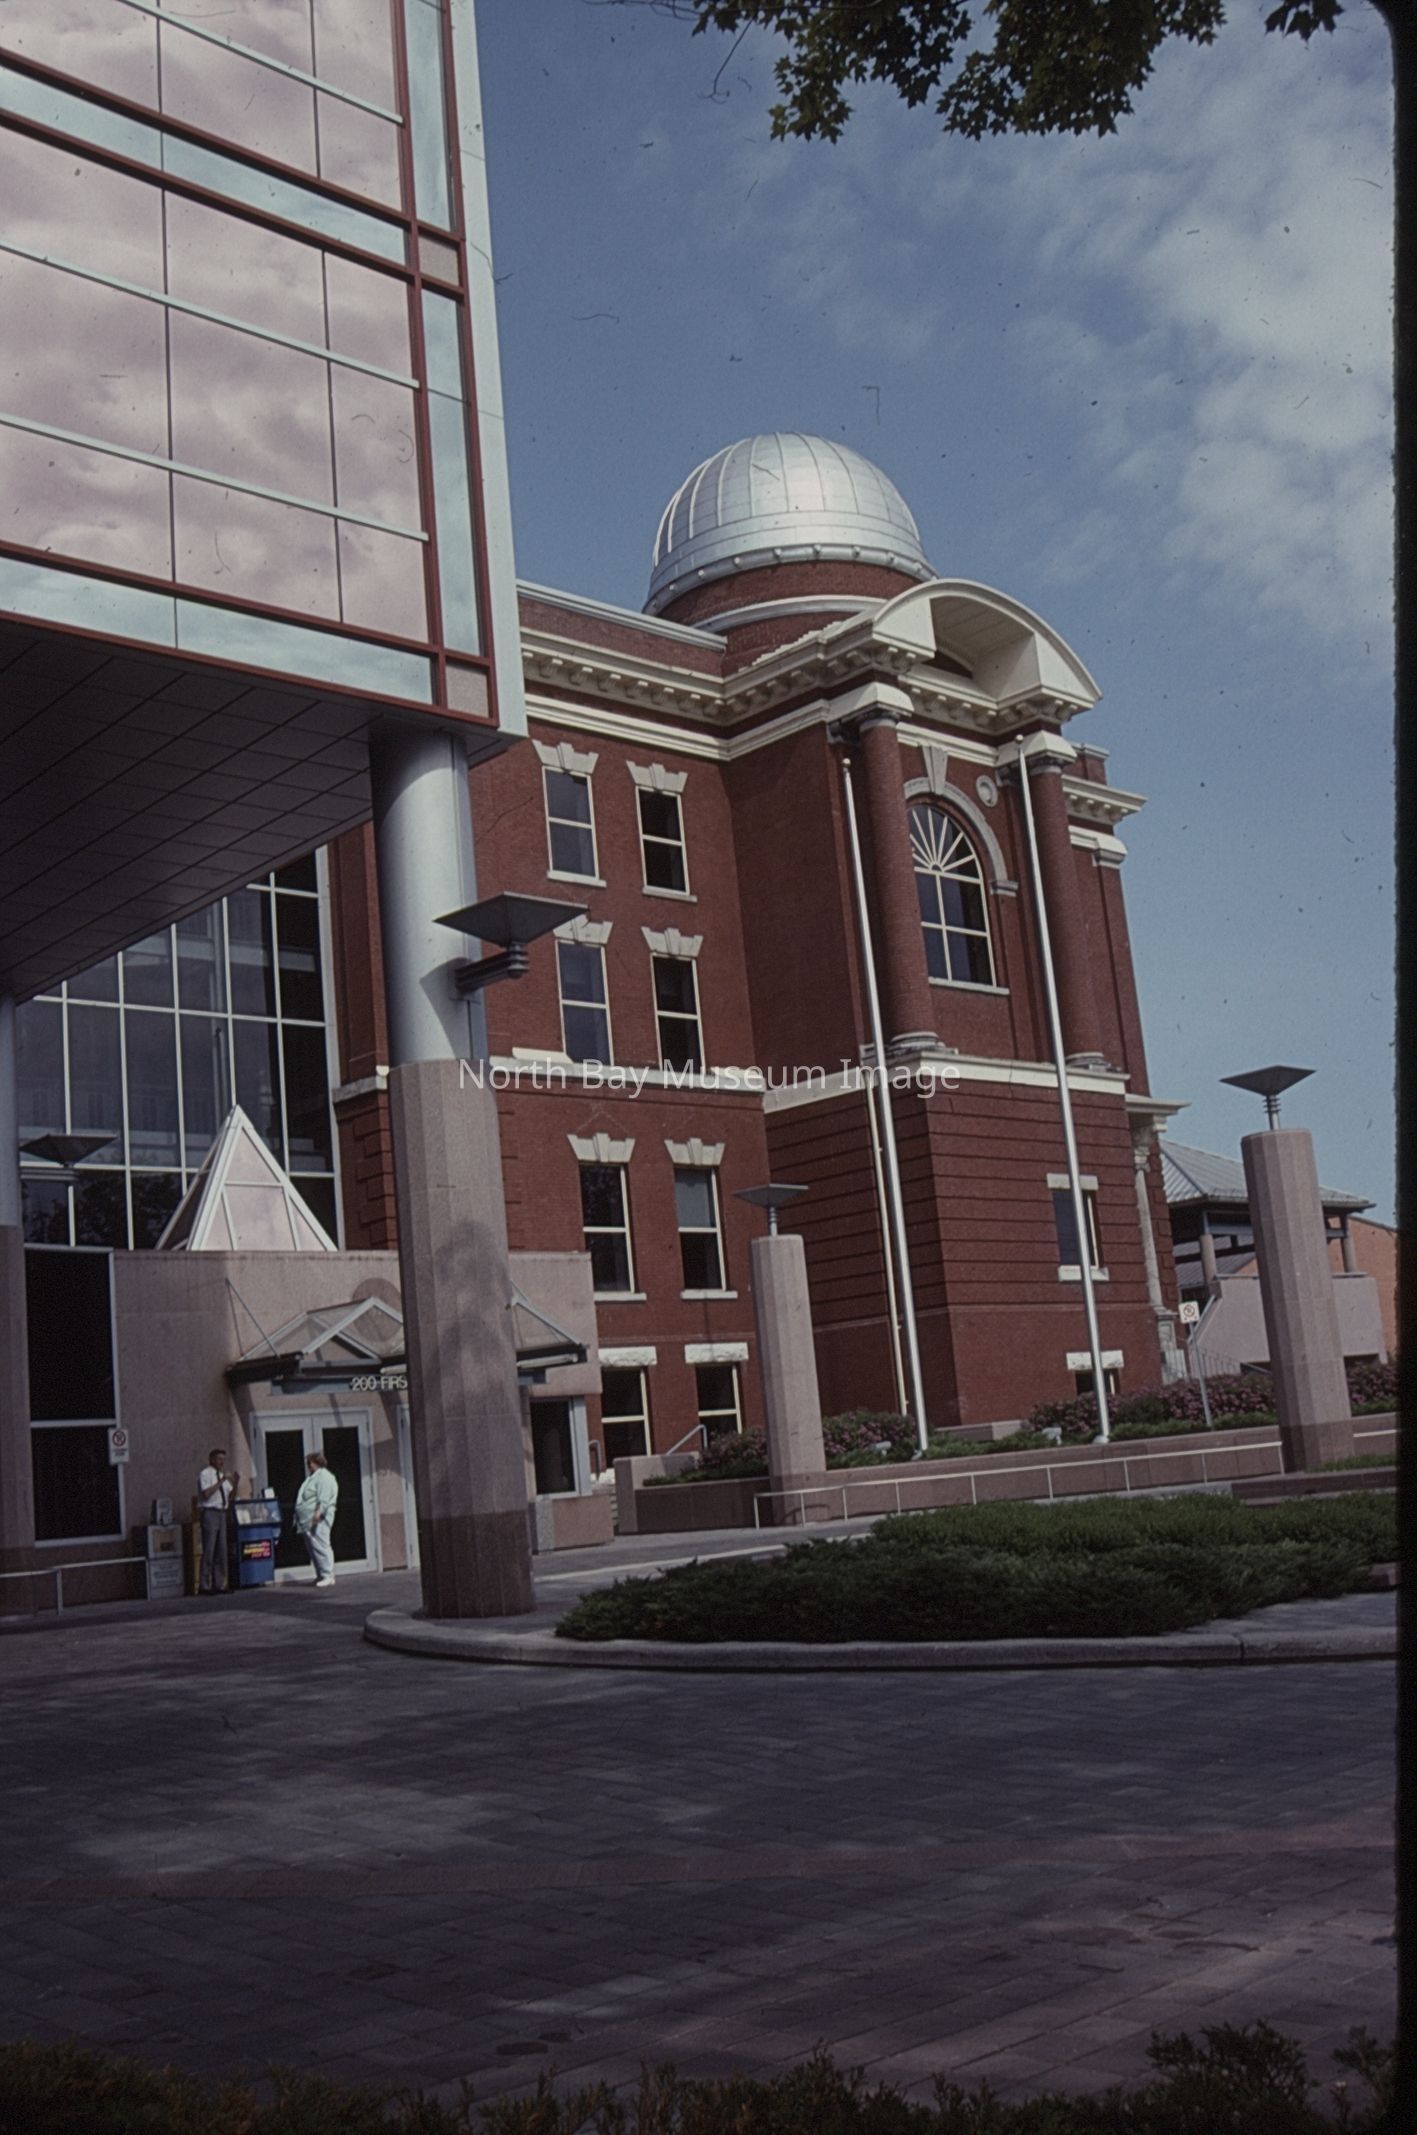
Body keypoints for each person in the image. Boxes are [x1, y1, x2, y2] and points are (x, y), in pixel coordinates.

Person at [293, 1451, 339, 1588]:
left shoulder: (324, 1476)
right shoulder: (313, 1477)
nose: (308, 1465)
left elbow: (323, 1497)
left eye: (309, 1462)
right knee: (313, 1547)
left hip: (318, 1518)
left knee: (321, 1545)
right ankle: (321, 1573)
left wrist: (318, 1512)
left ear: (315, 1462)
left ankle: (328, 1575)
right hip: (307, 1520)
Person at [196, 1447, 238, 1594]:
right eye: (219, 1459)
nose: (222, 1462)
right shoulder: (205, 1474)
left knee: (221, 1550)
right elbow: (206, 1493)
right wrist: (221, 1481)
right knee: (209, 1549)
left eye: (223, 1460)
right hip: (210, 1512)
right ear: (212, 1460)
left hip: (222, 1513)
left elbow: (230, 1496)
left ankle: (219, 1584)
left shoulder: (222, 1476)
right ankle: (204, 1585)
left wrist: (235, 1483)